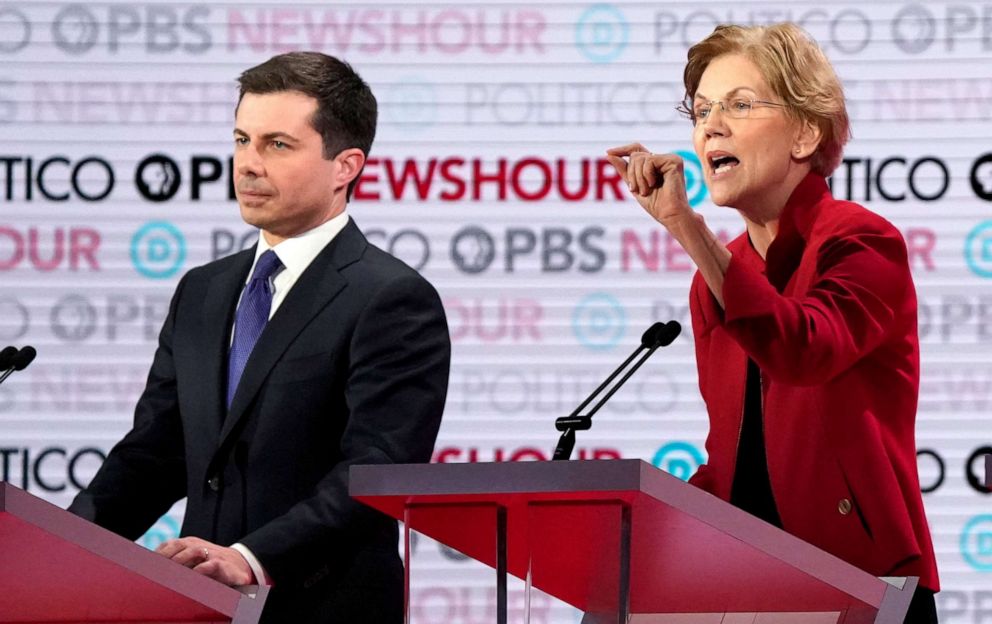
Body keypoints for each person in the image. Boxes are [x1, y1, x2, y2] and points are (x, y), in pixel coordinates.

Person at [69, 51, 451, 623]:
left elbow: (376, 472)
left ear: (345, 165)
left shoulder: (391, 298)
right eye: (242, 140)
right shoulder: (202, 291)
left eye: (277, 145)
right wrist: (65, 547)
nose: (248, 164)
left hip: (325, 607)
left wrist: (250, 558)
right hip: (200, 607)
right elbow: (155, 451)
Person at [606, 23, 938, 623]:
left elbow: (803, 351)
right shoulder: (718, 272)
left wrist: (689, 229)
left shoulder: (861, 242)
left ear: (806, 132)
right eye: (702, 110)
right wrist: (639, 526)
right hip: (747, 588)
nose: (711, 126)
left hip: (863, 585)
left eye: (739, 104)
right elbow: (733, 453)